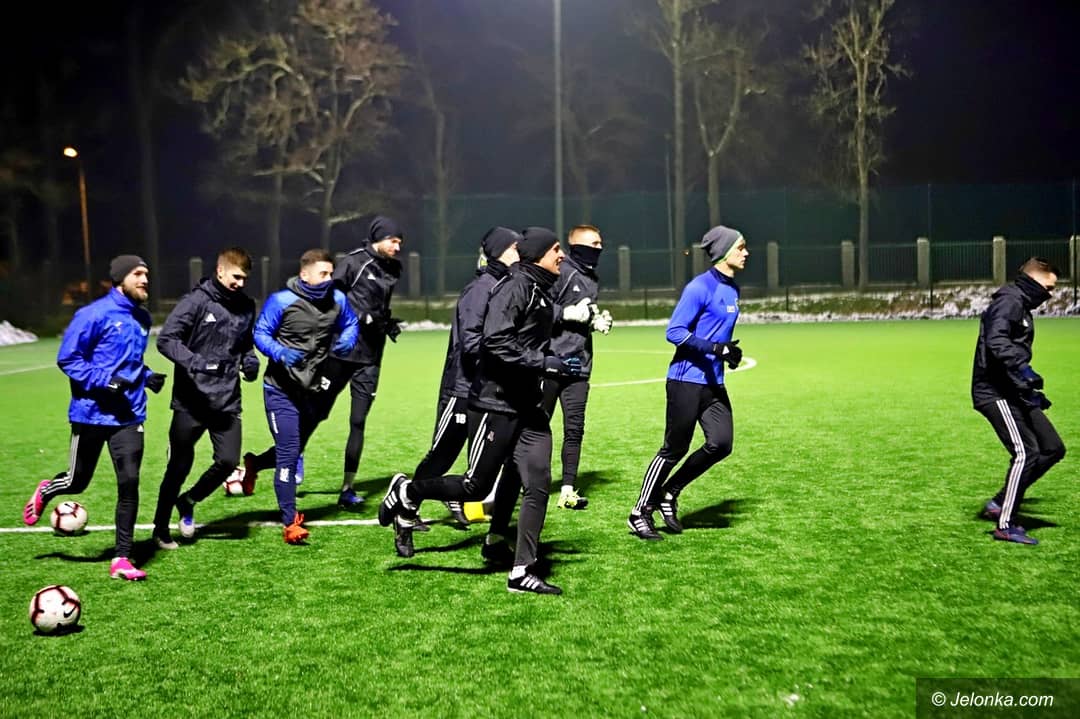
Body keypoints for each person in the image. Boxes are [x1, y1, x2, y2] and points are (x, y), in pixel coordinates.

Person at [379, 227, 582, 595]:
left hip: (527, 406)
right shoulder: (514, 287)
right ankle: (408, 491)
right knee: (475, 486)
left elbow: (529, 336)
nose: (562, 255)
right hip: (495, 402)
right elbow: (494, 342)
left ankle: (521, 570)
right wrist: (544, 362)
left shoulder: (538, 288)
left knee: (537, 482)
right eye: (556, 248)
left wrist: (559, 347)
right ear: (538, 253)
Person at [22, 255, 167, 580]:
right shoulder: (92, 315)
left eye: (146, 274)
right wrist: (104, 381)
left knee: (129, 483)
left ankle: (122, 558)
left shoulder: (142, 318)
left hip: (129, 414)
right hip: (91, 414)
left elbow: (129, 363)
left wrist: (146, 376)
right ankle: (47, 490)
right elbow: (69, 358)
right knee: (78, 481)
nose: (145, 279)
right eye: (137, 274)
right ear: (120, 279)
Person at [628, 226, 748, 541]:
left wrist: (729, 353)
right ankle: (639, 512)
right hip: (685, 381)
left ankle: (669, 493)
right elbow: (675, 332)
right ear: (723, 252)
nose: (746, 253)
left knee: (721, 443)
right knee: (674, 449)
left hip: (713, 383)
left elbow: (716, 335)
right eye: (740, 247)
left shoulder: (732, 289)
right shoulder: (699, 288)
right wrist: (715, 348)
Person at [411, 227, 521, 527]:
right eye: (514, 248)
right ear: (499, 252)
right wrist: (506, 357)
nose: (520, 253)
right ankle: (408, 501)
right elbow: (470, 342)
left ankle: (456, 497)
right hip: (462, 387)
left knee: (479, 455)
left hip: (485, 389)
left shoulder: (504, 285)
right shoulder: (480, 289)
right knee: (443, 452)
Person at [151, 248, 260, 549]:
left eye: (245, 278)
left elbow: (245, 343)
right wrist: (195, 362)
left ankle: (188, 501)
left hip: (227, 401)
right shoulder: (195, 301)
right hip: (191, 402)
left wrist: (250, 361)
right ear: (220, 271)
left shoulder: (246, 305)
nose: (240, 283)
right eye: (236, 276)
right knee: (178, 468)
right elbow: (166, 340)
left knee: (228, 461)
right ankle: (160, 528)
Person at [248, 249, 359, 544]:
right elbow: (260, 333)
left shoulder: (337, 300)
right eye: (323, 273)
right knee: (289, 454)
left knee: (293, 448)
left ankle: (253, 464)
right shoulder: (281, 301)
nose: (329, 279)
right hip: (280, 390)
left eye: (331, 273)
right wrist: (280, 352)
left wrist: (348, 339)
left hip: (311, 391)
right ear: (304, 275)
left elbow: (350, 323)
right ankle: (290, 522)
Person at [972, 257, 1066, 545]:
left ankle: (1000, 502)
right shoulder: (1009, 302)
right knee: (1026, 452)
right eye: (1048, 289)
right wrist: (1023, 369)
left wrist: (1029, 391)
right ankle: (1005, 524)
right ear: (1033, 282)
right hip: (994, 392)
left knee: (1052, 448)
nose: (1049, 296)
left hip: (1013, 390)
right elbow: (996, 341)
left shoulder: (1021, 305)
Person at [312, 215, 404, 509]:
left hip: (371, 357)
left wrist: (386, 322)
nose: (398, 247)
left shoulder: (393, 268)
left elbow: (379, 307)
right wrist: (357, 316)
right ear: (378, 238)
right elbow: (330, 300)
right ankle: (282, 458)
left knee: (358, 421)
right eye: (393, 241)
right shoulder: (353, 263)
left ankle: (347, 488)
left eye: (400, 242)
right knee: (316, 413)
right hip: (342, 353)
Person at [542, 224, 613, 510]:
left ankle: (567, 490)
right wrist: (567, 314)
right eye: (593, 244)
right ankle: (523, 482)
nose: (599, 248)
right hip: (549, 362)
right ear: (576, 246)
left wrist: (595, 321)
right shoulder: (561, 271)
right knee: (536, 426)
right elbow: (538, 310)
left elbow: (585, 312)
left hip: (579, 366)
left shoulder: (590, 277)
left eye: (600, 243)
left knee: (575, 428)